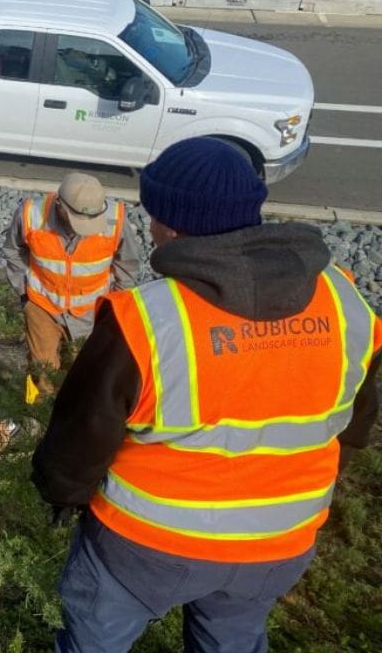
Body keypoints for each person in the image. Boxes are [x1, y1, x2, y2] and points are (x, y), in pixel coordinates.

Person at [32, 138, 381, 653]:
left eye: (152, 216)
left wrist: (62, 494)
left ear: (172, 225)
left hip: (144, 547)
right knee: (232, 642)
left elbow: (81, 437)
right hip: (279, 545)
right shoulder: (343, 298)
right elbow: (355, 422)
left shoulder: (146, 320)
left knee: (94, 641)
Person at [2, 172, 141, 392]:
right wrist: (25, 296)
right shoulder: (31, 214)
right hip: (42, 305)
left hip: (89, 311)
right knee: (41, 368)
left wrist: (114, 305)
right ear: (59, 205)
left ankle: (72, 414)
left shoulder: (116, 220)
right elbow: (13, 251)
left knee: (82, 368)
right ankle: (41, 414)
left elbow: (128, 265)